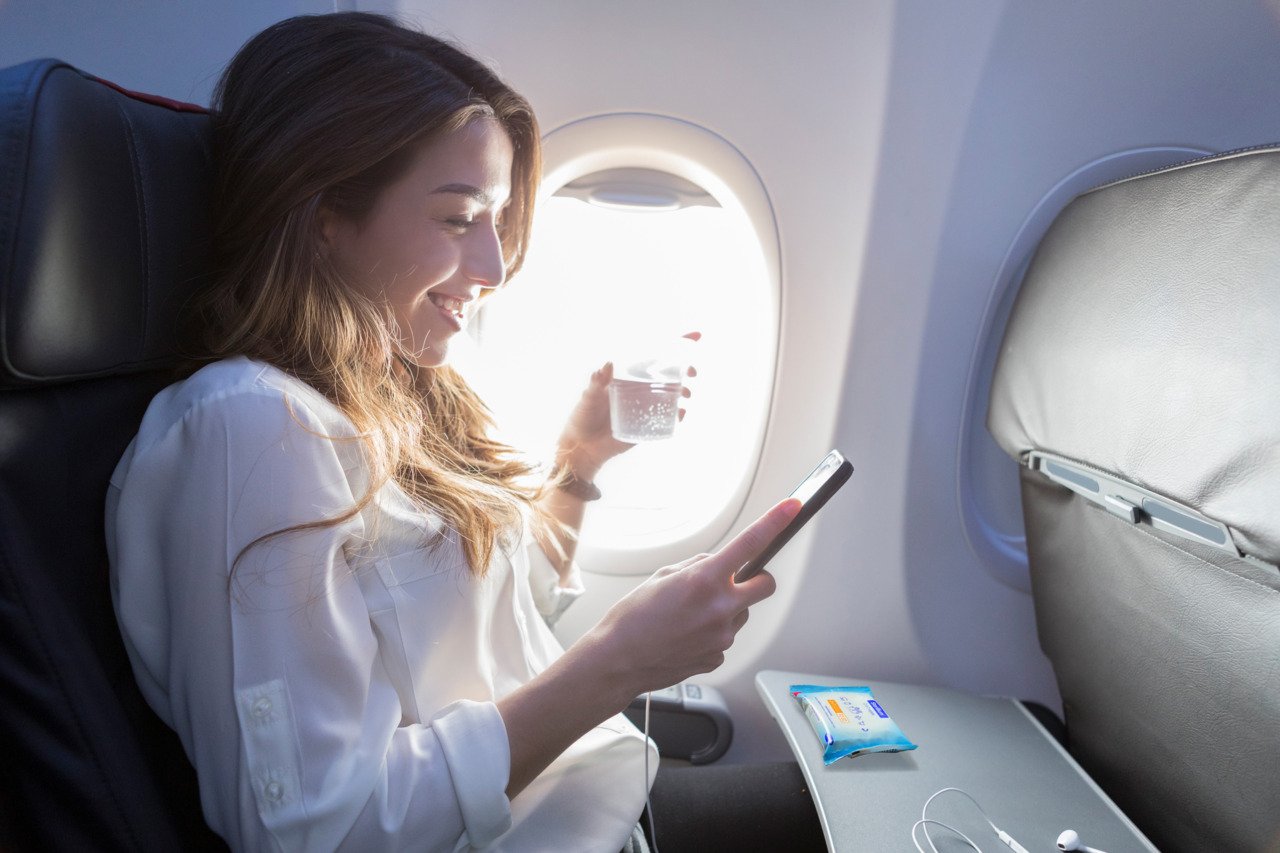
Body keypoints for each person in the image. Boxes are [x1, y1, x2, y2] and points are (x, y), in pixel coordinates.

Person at [106, 11, 822, 852]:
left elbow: (485, 635)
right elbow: (313, 833)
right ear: (326, 212)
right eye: (457, 218)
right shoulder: (252, 428)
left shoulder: (397, 390)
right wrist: (620, 662)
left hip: (590, 811)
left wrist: (579, 465)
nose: (493, 267)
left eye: (497, 218)